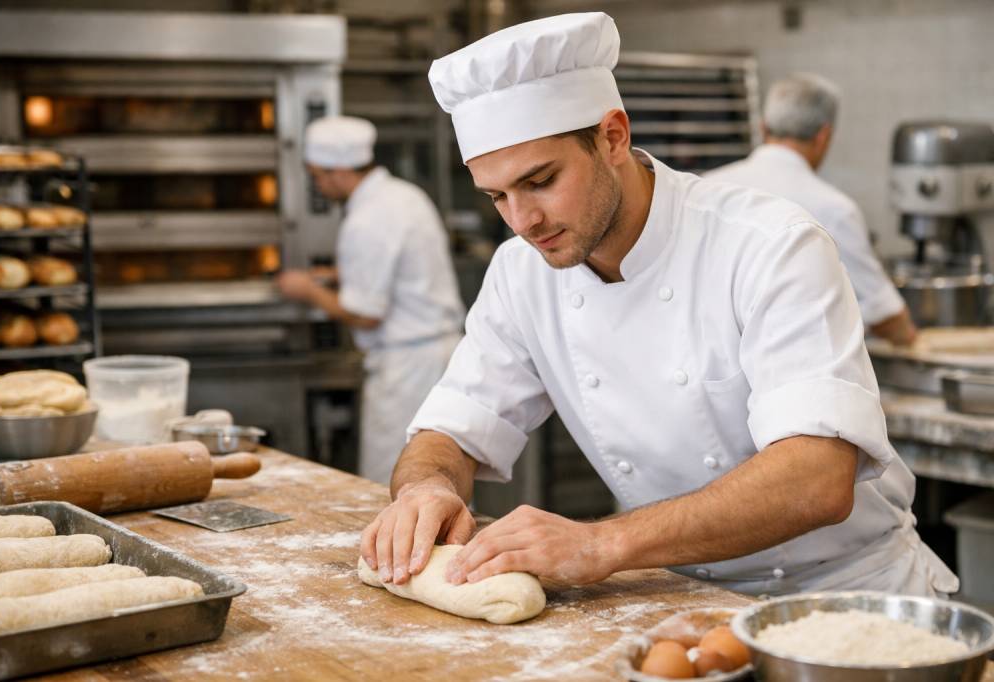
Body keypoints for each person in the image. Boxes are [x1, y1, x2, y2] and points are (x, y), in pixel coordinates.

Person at [360, 13, 957, 597]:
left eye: (540, 182)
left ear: (613, 137)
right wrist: (427, 487)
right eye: (497, 196)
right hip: (679, 597)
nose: (523, 221)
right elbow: (452, 426)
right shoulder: (521, 274)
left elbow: (817, 479)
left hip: (849, 595)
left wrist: (601, 544)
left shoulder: (769, 245)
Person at [277, 116, 464, 484]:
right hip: (442, 356)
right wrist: (338, 274)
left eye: (317, 177)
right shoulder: (404, 195)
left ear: (338, 171)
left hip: (407, 371)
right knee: (444, 478)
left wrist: (307, 289)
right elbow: (400, 268)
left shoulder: (365, 220)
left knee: (395, 481)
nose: (318, 186)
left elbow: (365, 314)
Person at [705, 73, 917, 346]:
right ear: (823, 136)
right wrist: (910, 339)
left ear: (763, 128)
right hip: (790, 362)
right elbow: (883, 313)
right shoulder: (834, 209)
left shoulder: (706, 187)